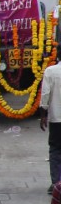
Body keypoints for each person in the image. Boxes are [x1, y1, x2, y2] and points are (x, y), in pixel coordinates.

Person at [44, 57, 61, 189]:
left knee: (55, 149)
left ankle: (56, 184)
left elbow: (45, 94)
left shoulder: (51, 71)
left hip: (56, 118)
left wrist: (43, 114)